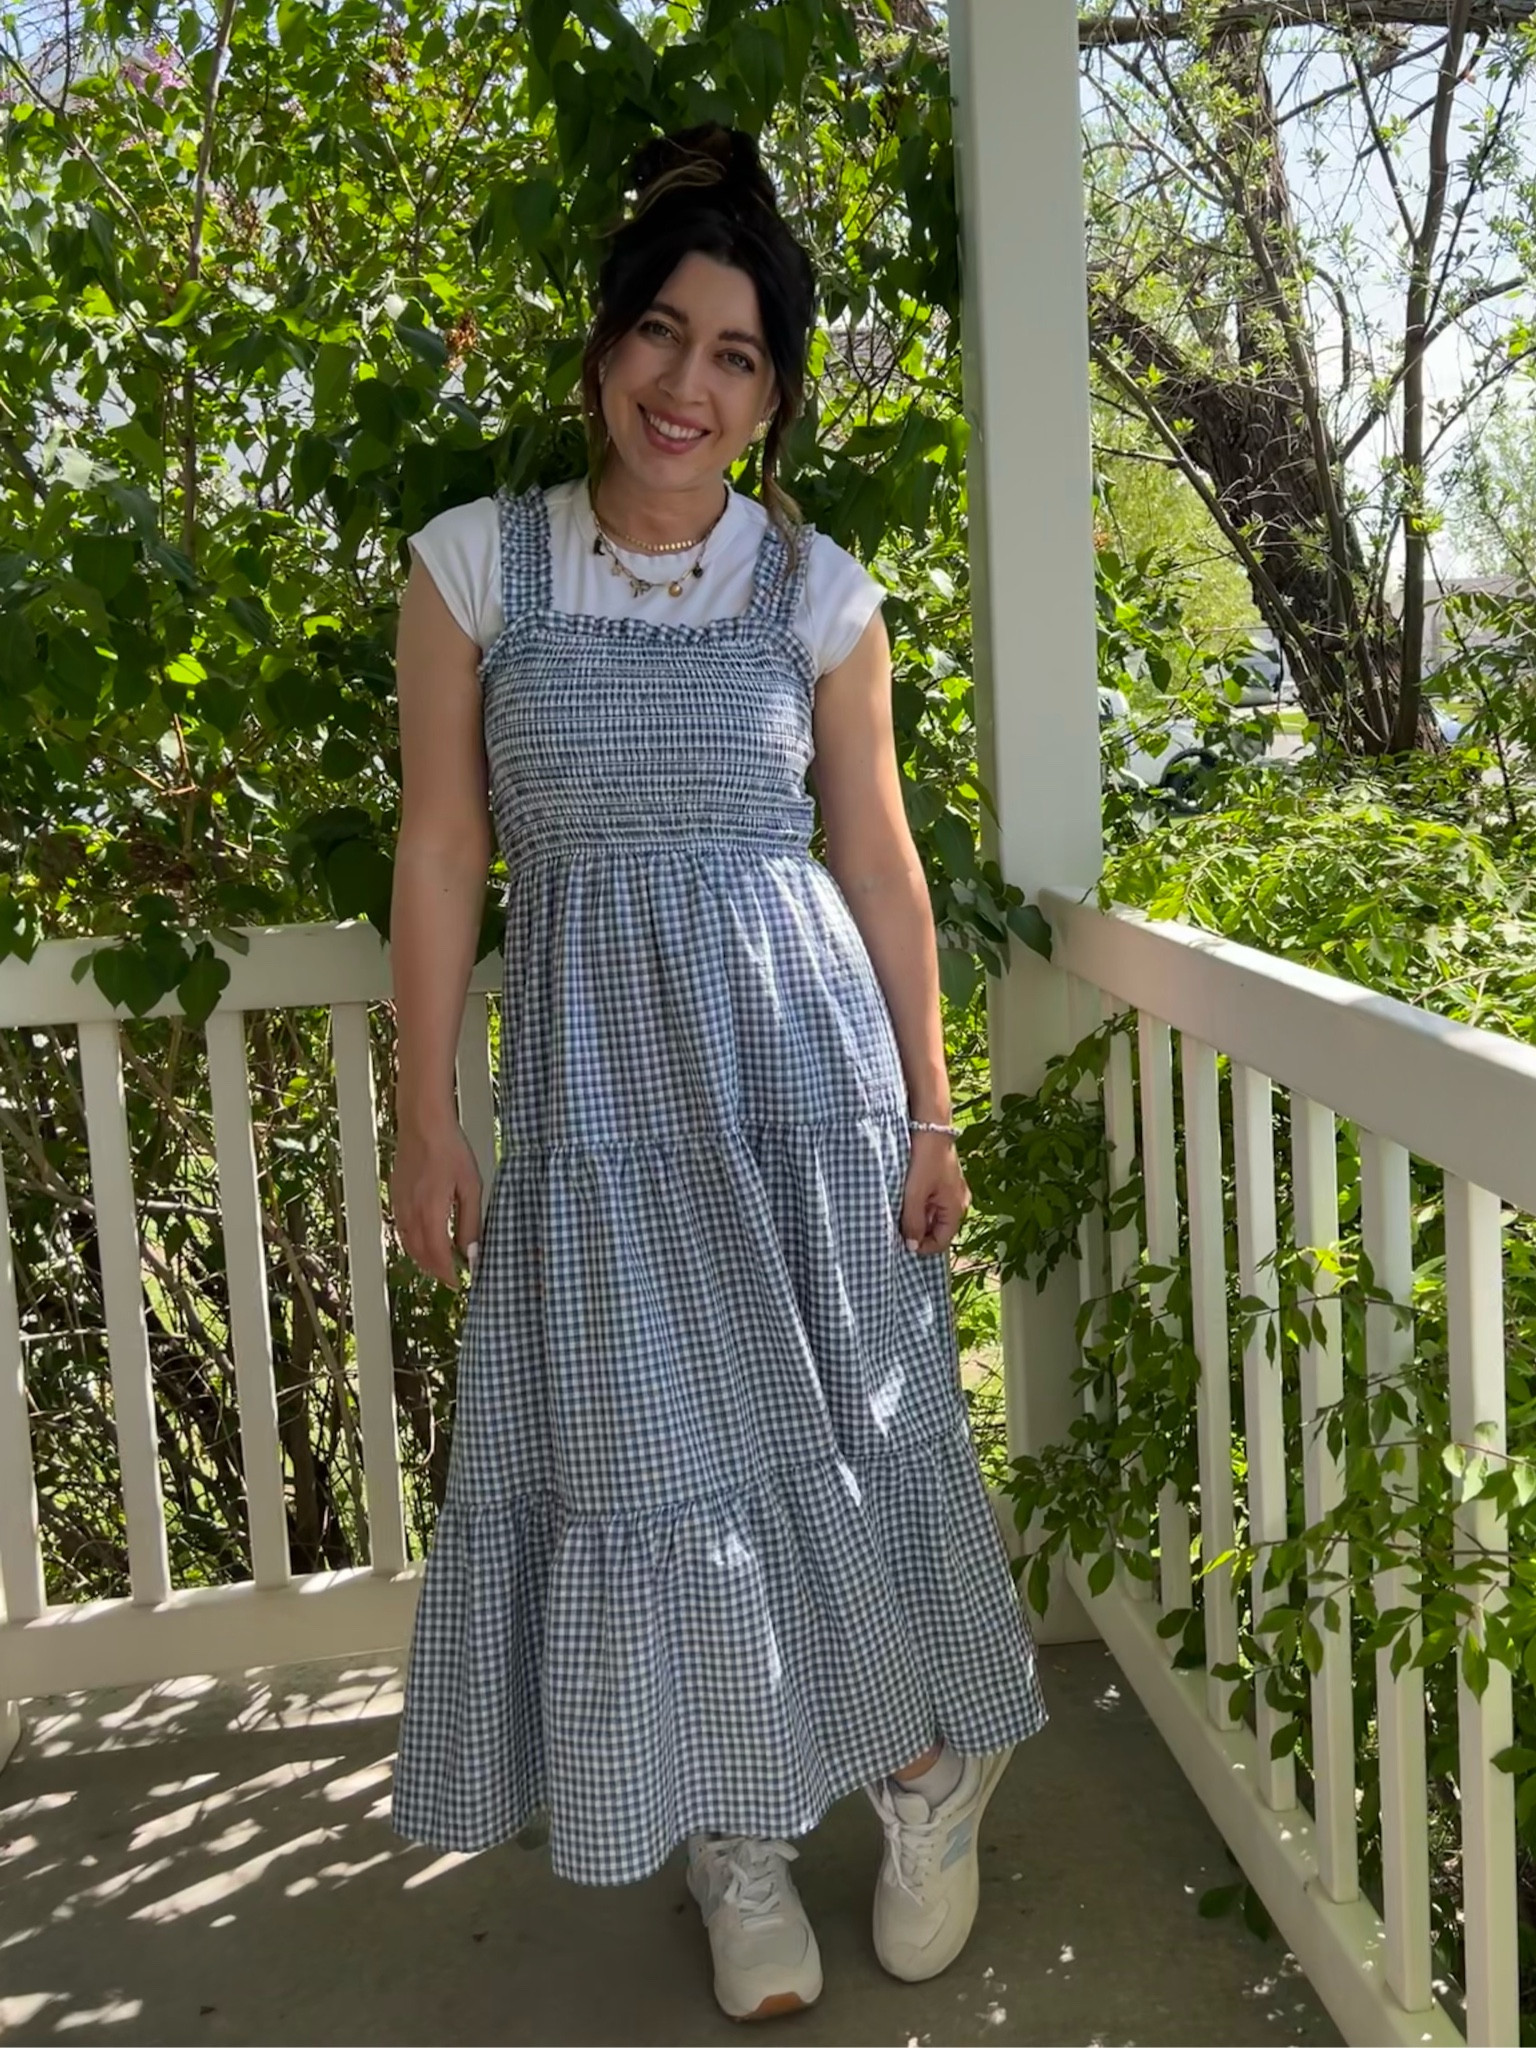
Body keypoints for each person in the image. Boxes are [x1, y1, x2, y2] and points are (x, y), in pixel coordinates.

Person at [385, 121, 1047, 2024]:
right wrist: (428, 1114)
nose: (690, 385)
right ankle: (736, 1837)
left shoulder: (819, 593)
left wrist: (929, 1106)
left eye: (737, 356)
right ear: (606, 349)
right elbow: (442, 847)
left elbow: (880, 863)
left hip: (800, 1090)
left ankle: (926, 1777)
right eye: (663, 335)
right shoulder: (475, 569)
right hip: (597, 1111)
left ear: (772, 397)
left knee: (833, 1441)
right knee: (648, 1461)